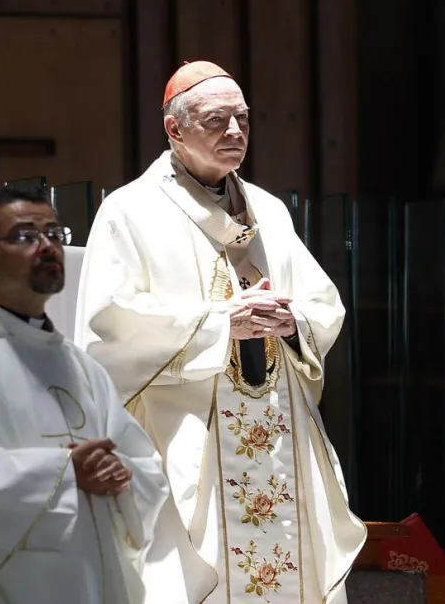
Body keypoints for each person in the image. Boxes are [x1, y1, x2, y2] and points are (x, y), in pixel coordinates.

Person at [74, 61, 367, 603]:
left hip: (278, 437)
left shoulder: (270, 211)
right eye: (217, 120)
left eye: (243, 119)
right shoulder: (129, 211)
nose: (235, 132)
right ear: (174, 129)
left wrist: (292, 320)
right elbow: (106, 328)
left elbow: (323, 304)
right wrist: (218, 324)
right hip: (187, 437)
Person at [0, 185, 171, 604]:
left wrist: (121, 476)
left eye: (53, 233)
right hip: (7, 581)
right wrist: (65, 472)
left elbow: (143, 464)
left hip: (88, 569)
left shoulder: (80, 365)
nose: (47, 246)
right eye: (26, 236)